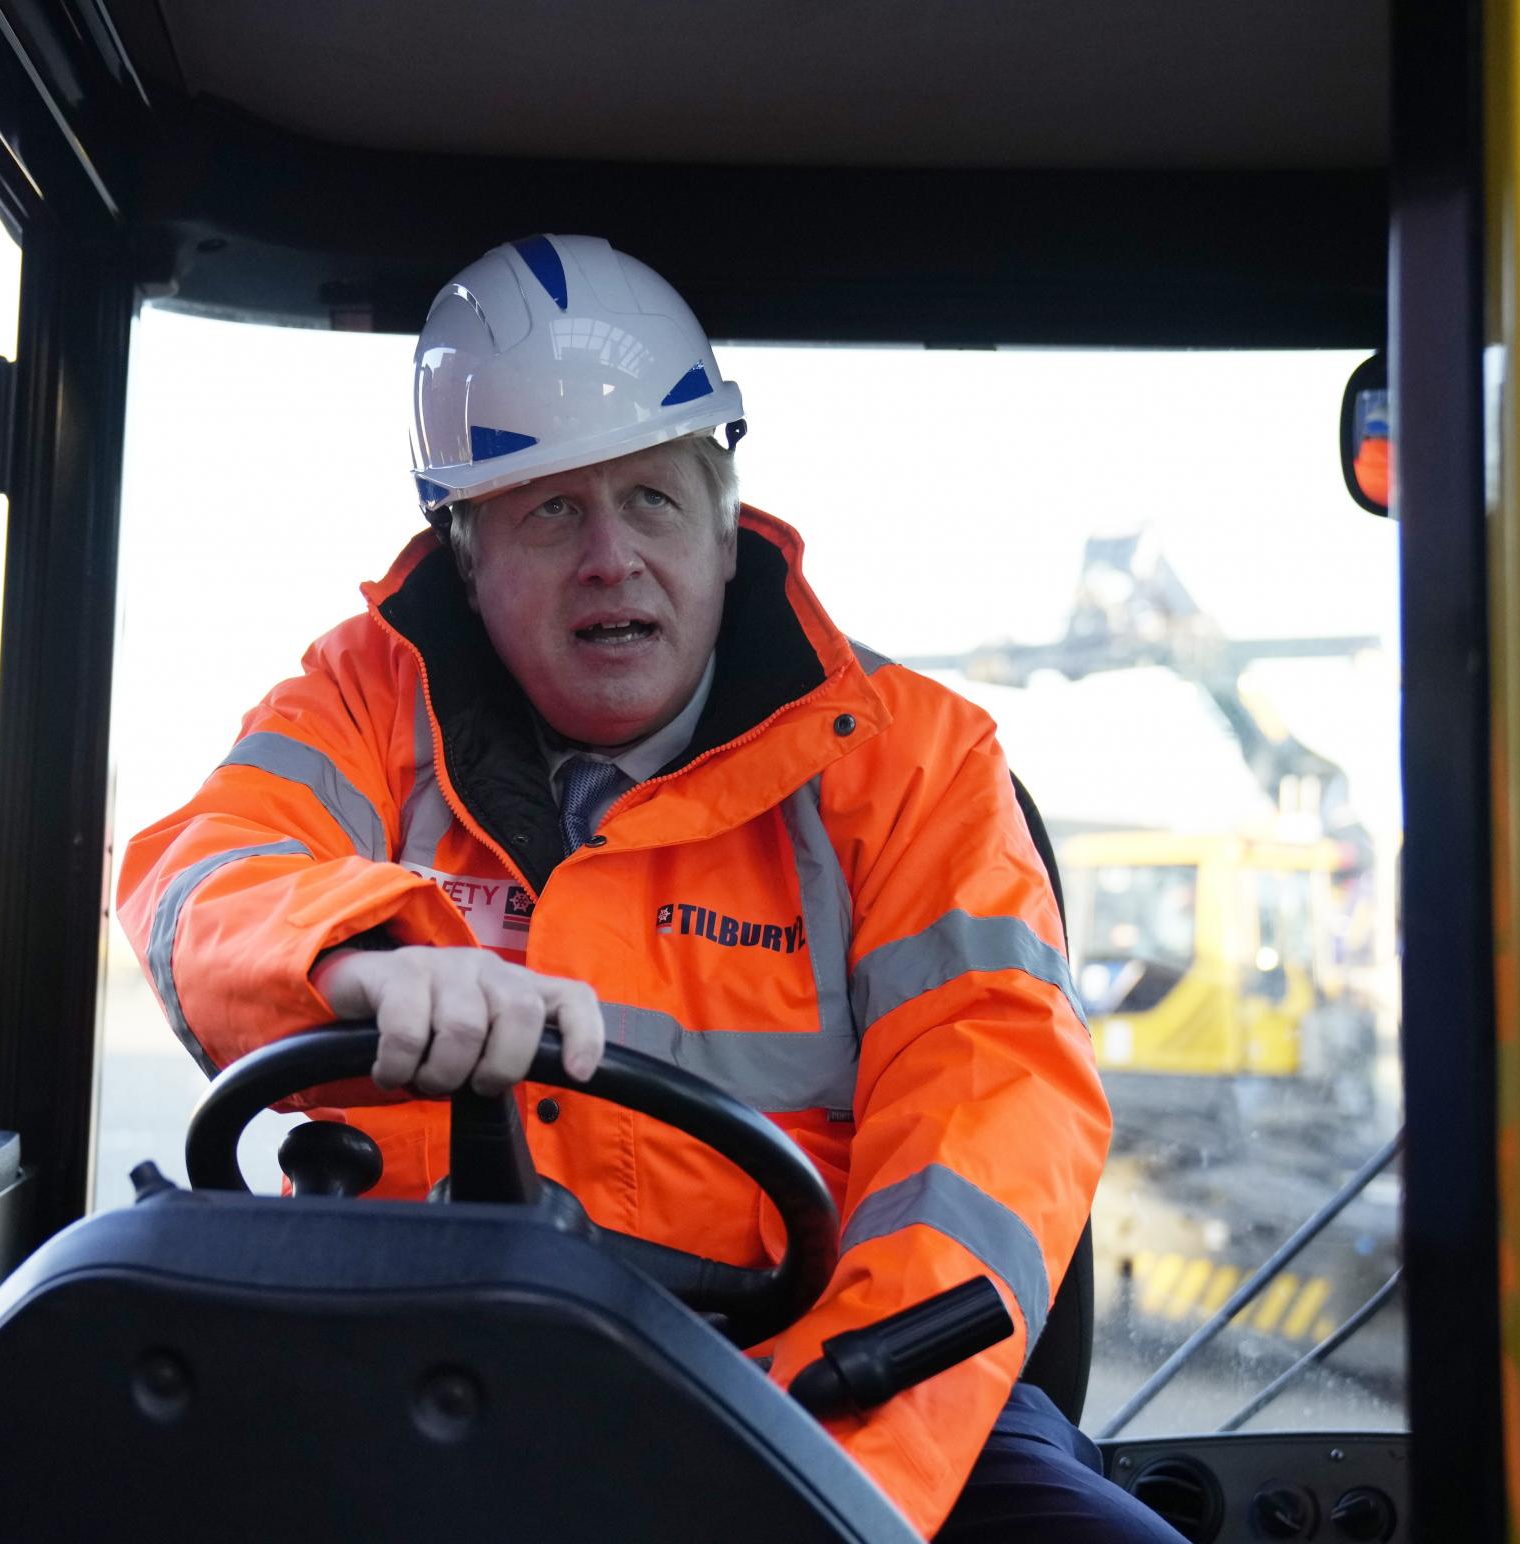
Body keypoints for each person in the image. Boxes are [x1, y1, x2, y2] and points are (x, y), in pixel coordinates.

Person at [117, 235, 1166, 1540]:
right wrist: (355, 955)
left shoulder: (915, 766)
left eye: (654, 501)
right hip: (419, 1360)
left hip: (831, 1381)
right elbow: (197, 875)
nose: (611, 556)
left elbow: (990, 1119)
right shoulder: (359, 704)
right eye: (551, 509)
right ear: (466, 553)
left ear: (727, 530)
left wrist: (824, 1478)